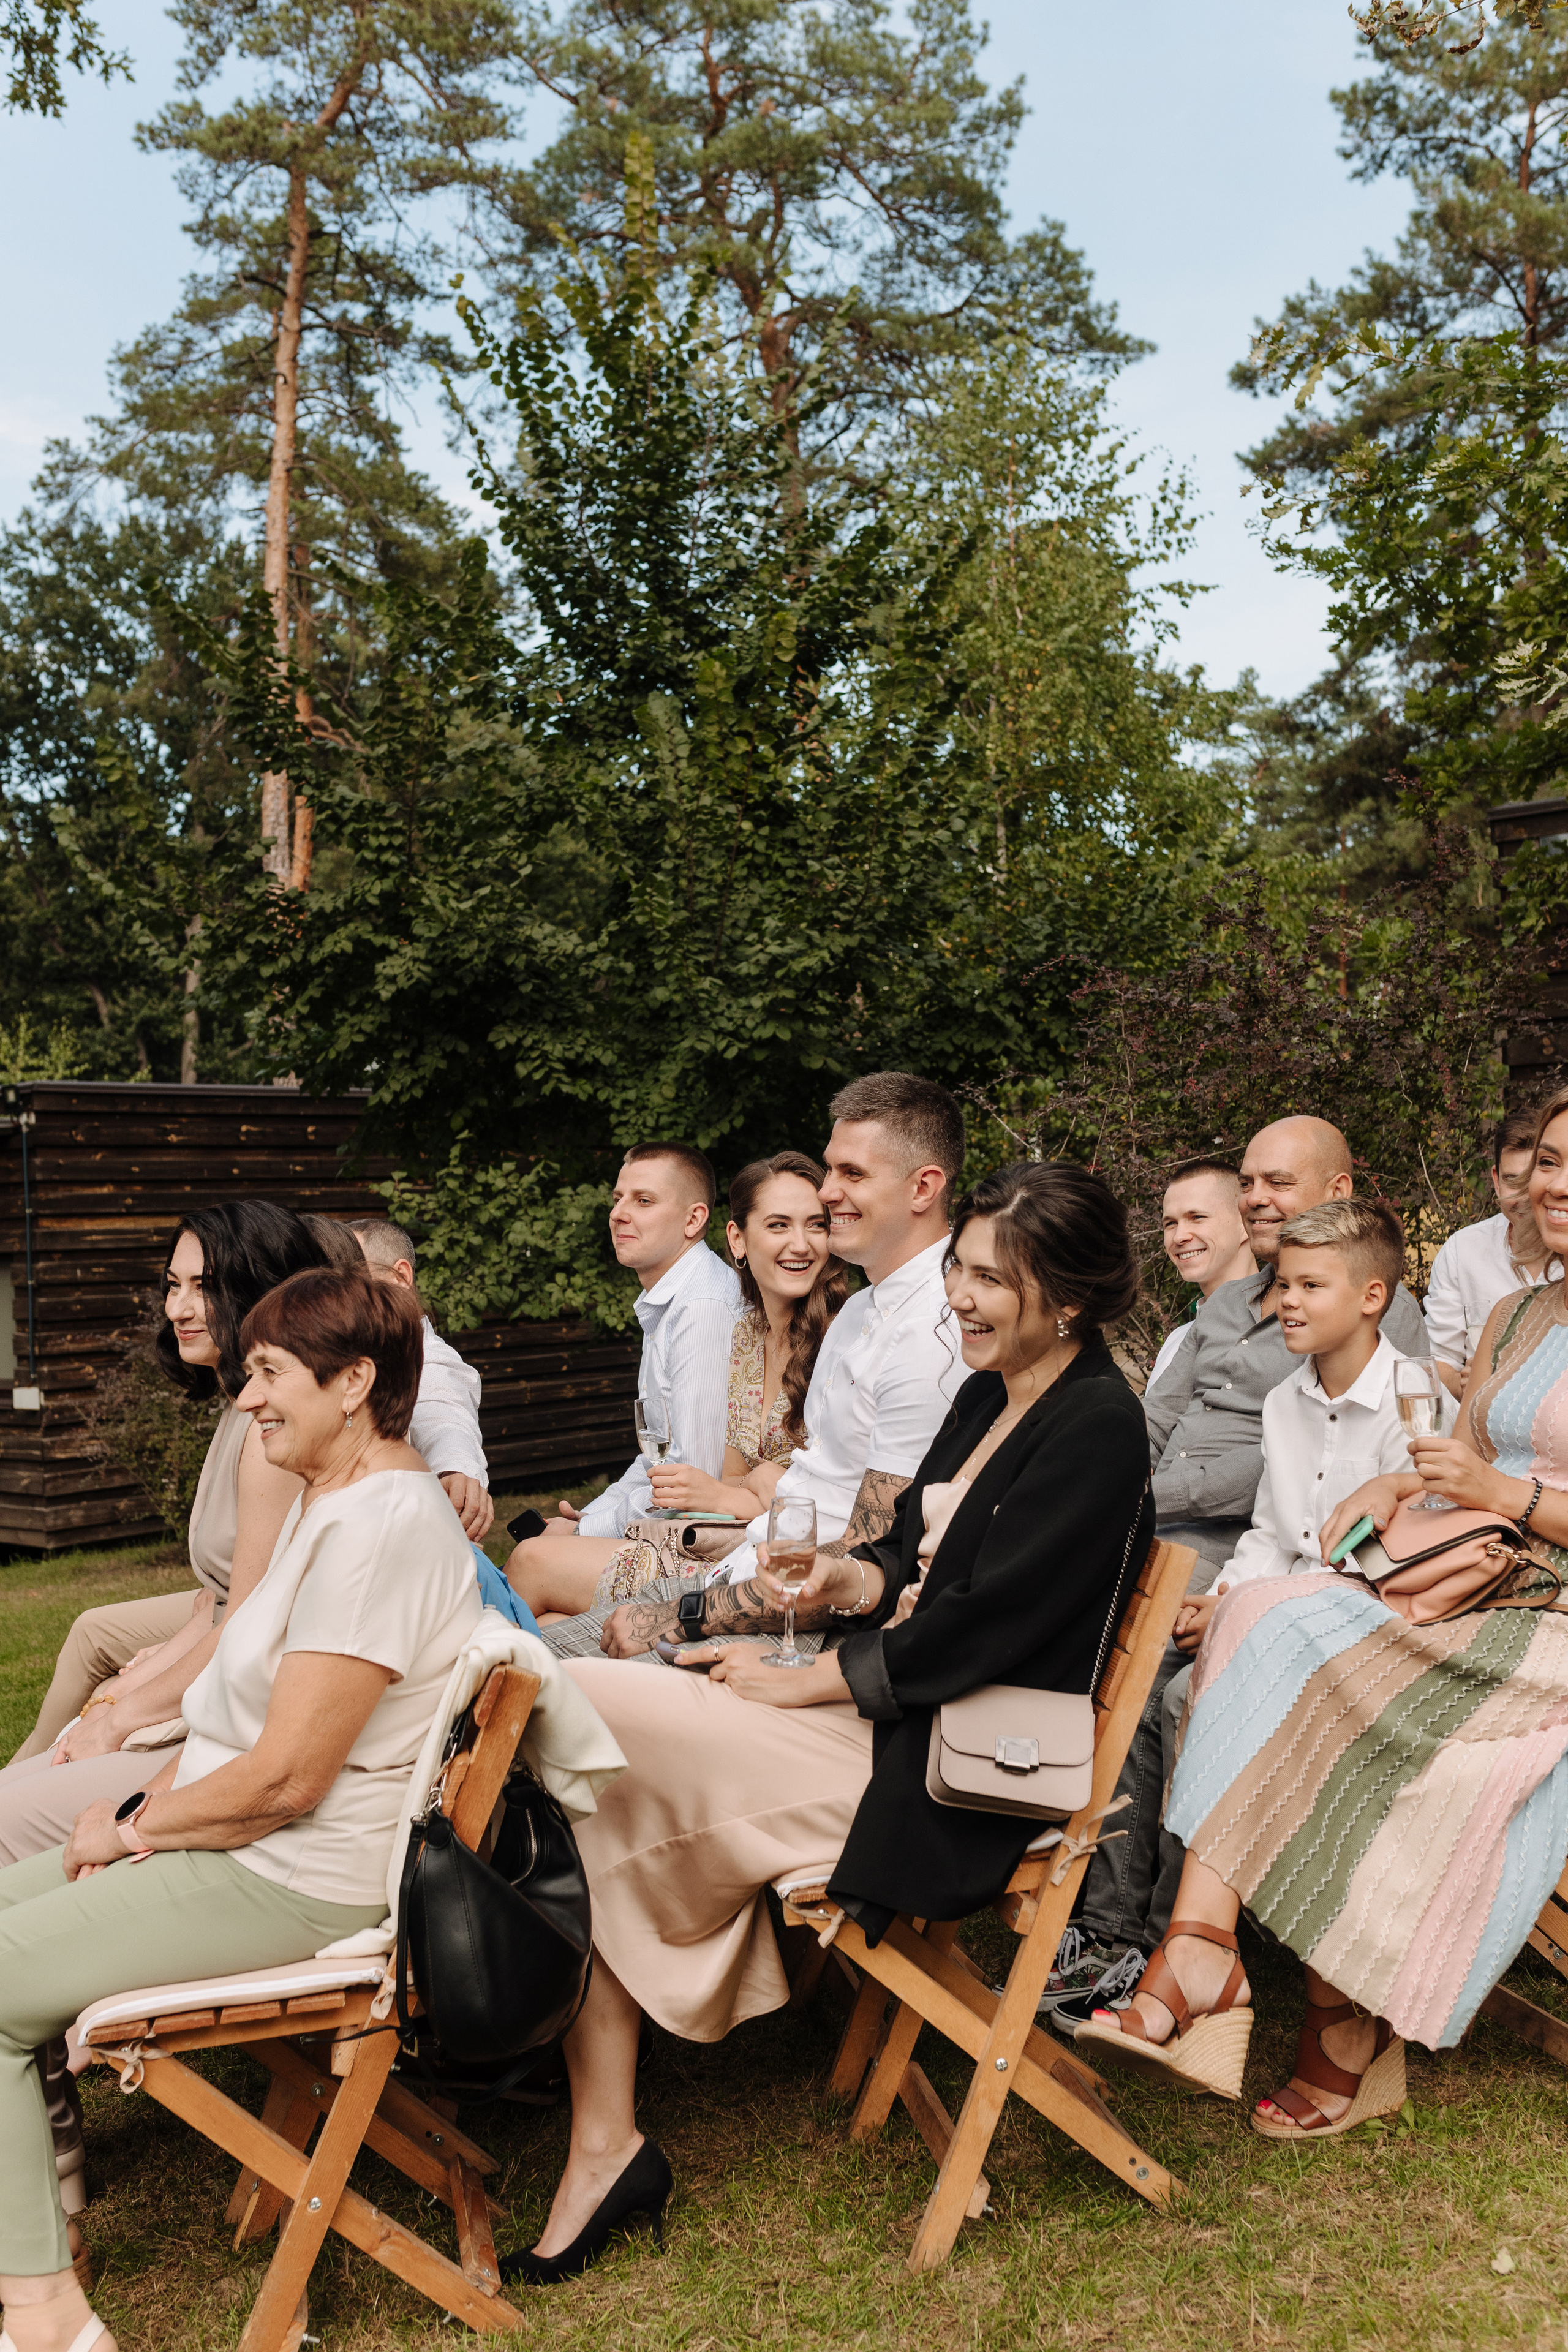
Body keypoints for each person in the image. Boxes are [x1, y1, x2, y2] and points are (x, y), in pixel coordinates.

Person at [497, 1159, 1152, 2286]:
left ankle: (555, 2045)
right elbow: (903, 1559)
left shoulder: (1097, 1427)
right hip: (893, 1718)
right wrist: (832, 1590)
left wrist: (808, 1679)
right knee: (599, 1758)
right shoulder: (993, 1394)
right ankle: (599, 2130)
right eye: (960, 1270)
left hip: (957, 1773)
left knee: (580, 1708)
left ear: (1073, 1301)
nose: (962, 1297)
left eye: (994, 1279)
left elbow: (985, 1631)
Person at [0, 1264, 483, 2352]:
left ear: (353, 1382)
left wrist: (128, 1831)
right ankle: (33, 2225)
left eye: (268, 1373)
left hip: (298, 1878)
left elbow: (287, 1779)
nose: (247, 1396)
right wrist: (146, 1804)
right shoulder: (340, 1504)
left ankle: (41, 2314)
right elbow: (241, 1730)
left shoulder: (378, 1530)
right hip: (257, 1850)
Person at [1074, 1090, 1568, 2137]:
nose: (1553, 1183)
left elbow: (1481, 1480)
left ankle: (1280, 1996)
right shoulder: (1519, 1317)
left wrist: (1500, 1497)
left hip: (1550, 1616)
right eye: (1549, 1161)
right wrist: (1397, 1490)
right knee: (1264, 1613)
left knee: (1279, 1623)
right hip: (1464, 1582)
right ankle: (1209, 1954)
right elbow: (1448, 1456)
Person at [1054, 1115, 1429, 2020]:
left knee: (1180, 1692)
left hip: (1313, 1586)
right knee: (1128, 1675)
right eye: (1249, 1183)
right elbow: (1168, 1426)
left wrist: (1212, 1583)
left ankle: (1171, 1940)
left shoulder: (1381, 1342)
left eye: (1277, 1186)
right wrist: (1110, 1495)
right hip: (1235, 1558)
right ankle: (1104, 1929)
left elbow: (1335, 1508)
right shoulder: (1233, 1316)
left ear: (1340, 1197)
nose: (1257, 1199)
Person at [537, 1072, 968, 1665]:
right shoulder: (864, 1313)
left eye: (852, 1174)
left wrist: (686, 1614)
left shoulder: (932, 1328)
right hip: (741, 1570)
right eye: (832, 1170)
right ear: (738, 1239)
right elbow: (774, 1484)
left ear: (923, 1187)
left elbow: (868, 1557)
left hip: (793, 1621)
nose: (830, 1193)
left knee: (527, 1676)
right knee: (510, 1654)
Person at [10, 1204, 326, 1771]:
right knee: (89, 1664)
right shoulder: (240, 1406)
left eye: (203, 1287)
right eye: (172, 1285)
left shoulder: (269, 1434)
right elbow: (217, 1599)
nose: (177, 1308)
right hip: (224, 1648)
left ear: (262, 1291)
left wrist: (117, 1714)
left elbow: (243, 1625)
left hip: (247, 1703)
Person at [517, 1153, 848, 1619]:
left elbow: (816, 1499)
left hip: (774, 1565)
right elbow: (730, 1478)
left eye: (816, 1225)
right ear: (739, 1240)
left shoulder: (841, 1339)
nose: (800, 1244)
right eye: (778, 1225)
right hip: (731, 1539)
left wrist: (755, 1486)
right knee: (550, 1618)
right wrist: (755, 1486)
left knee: (532, 1563)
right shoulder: (749, 1338)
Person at [503, 1145, 741, 1616]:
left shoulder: (702, 1310)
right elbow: (655, 1458)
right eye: (618, 1198)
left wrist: (582, 1533)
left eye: (643, 1201)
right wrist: (590, 1517)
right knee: (549, 1619)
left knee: (531, 1559)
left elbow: (694, 1476)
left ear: (694, 1221)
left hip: (707, 1545)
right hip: (672, 1528)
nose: (619, 1214)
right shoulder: (670, 1303)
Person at [347, 1216, 495, 1540]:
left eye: (355, 1277)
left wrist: (455, 1471)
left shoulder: (430, 1358)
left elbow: (443, 1415)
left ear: (401, 1276)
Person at [1422, 1109, 1556, 1399]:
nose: (1523, 1197)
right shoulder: (1463, 1250)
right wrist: (1463, 1384)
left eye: (1532, 1179)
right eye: (1512, 1181)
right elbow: (1436, 1359)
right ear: (1495, 1180)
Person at [1145, 1161, 1256, 1395]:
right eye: (1170, 1224)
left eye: (1197, 1217)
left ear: (1246, 1224)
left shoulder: (1286, 1331)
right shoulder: (1178, 1339)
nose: (1179, 1237)